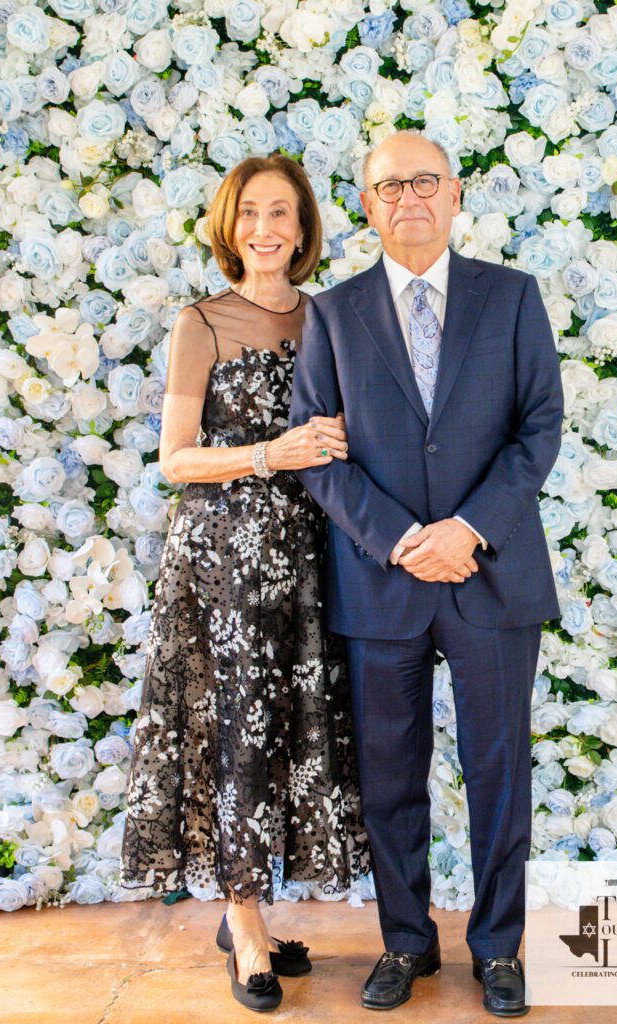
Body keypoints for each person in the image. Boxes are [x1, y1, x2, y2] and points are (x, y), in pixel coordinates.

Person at [289, 130, 564, 1018]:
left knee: (498, 772)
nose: (408, 197)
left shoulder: (512, 297)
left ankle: (499, 949)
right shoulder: (331, 315)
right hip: (383, 582)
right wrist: (404, 539)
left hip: (490, 576)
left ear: (456, 194)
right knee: (390, 778)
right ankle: (406, 942)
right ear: (365, 205)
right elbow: (317, 454)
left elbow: (539, 428)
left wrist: (469, 530)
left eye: (425, 181)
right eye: (387, 185)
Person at [118, 153, 369, 1013]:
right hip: (223, 560)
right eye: (250, 213)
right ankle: (244, 920)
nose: (265, 229)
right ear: (229, 226)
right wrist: (270, 454)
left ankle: (250, 903)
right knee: (234, 734)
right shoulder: (203, 321)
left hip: (310, 557)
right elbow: (174, 459)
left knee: (295, 733)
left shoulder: (332, 318)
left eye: (282, 215)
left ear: (303, 232)